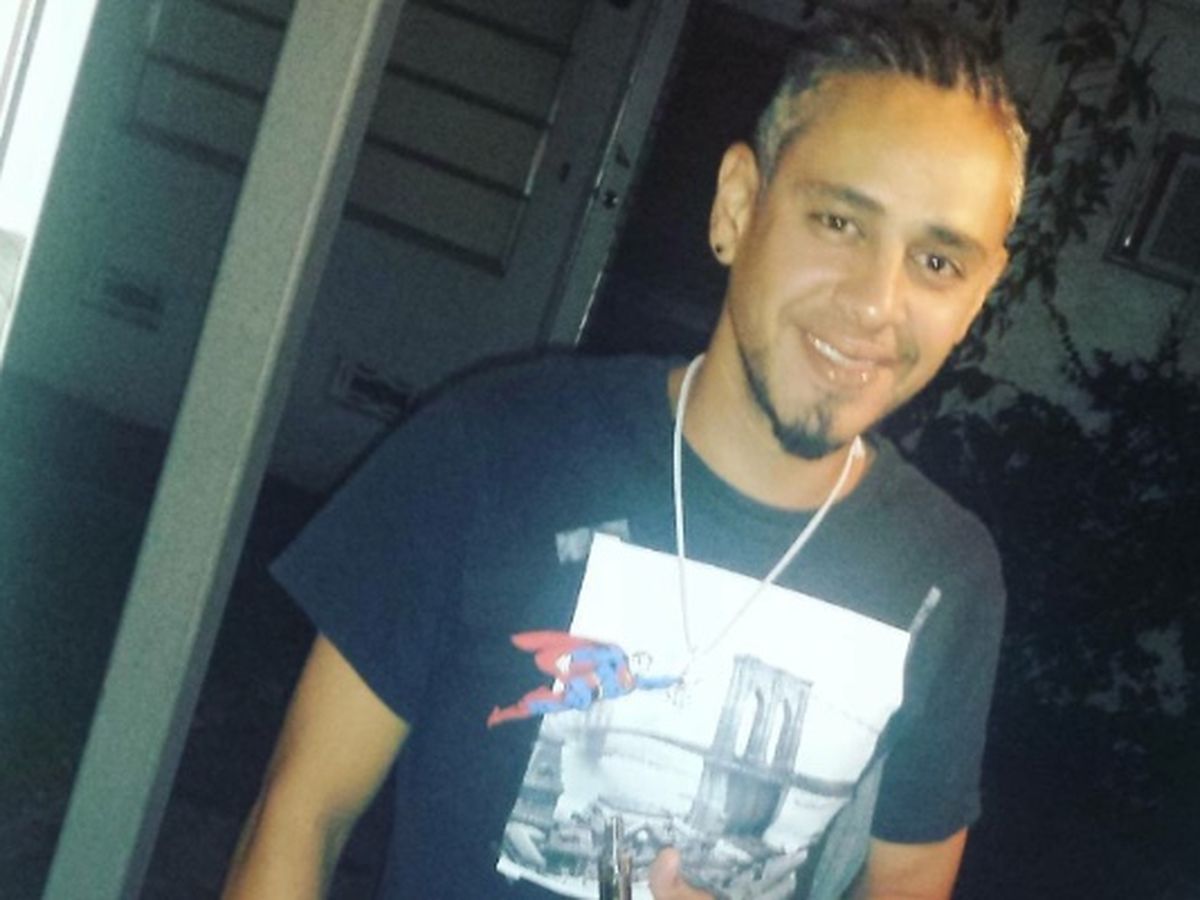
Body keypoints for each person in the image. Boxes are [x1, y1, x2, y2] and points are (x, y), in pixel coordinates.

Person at [223, 6, 1027, 899]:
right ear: (738, 206)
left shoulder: (946, 576)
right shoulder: (497, 447)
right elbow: (302, 813)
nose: (876, 303)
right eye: (839, 222)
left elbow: (909, 877)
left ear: (979, 295)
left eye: (938, 262)